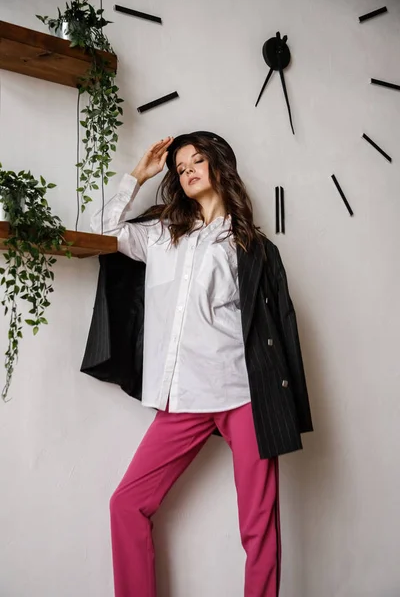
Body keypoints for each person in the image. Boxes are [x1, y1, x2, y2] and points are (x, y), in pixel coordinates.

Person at [88, 131, 313, 597]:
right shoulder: (161, 235)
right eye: (180, 164)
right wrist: (139, 173)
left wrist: (285, 401)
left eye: (197, 161)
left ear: (218, 166)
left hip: (244, 394)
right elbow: (102, 231)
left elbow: (278, 324)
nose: (187, 169)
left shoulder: (249, 244)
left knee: (258, 525)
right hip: (183, 395)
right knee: (127, 504)